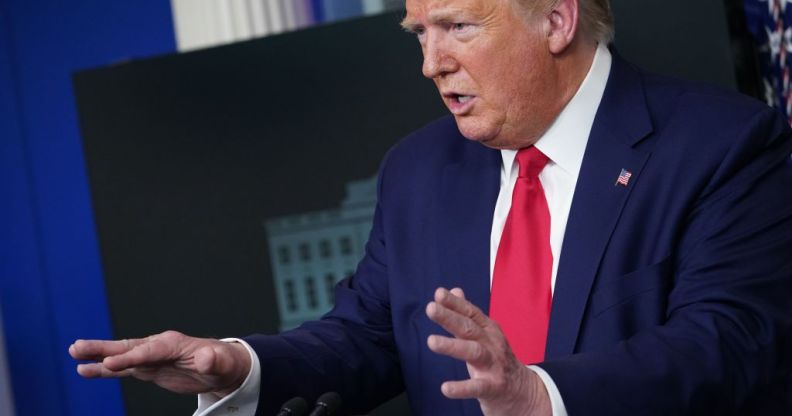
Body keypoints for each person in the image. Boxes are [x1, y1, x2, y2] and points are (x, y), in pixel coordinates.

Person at [69, 0, 792, 414]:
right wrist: (239, 365)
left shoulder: (722, 146)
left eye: (458, 27)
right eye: (420, 33)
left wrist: (537, 396)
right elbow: (371, 336)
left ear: (558, 20)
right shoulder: (419, 168)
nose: (430, 62)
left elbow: (729, 346)